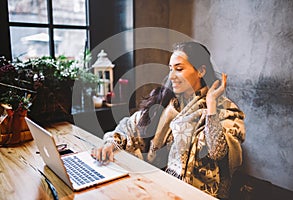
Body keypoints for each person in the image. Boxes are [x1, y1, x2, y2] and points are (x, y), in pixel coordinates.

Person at [92, 41, 245, 199]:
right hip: (156, 185)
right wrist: (111, 143)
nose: (171, 76)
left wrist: (211, 106)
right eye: (170, 69)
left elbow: (218, 153)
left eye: (179, 69)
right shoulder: (167, 103)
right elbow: (131, 126)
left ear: (201, 71)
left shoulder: (223, 108)